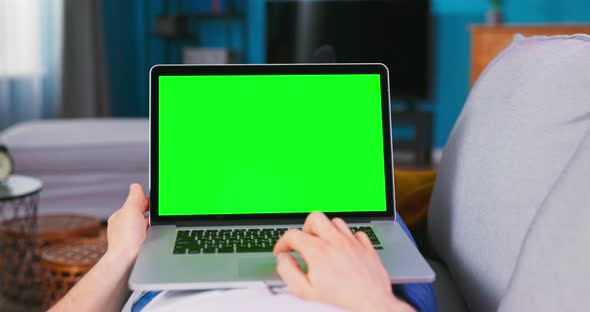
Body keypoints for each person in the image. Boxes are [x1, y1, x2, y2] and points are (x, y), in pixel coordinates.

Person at [50, 184, 435, 312]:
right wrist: (377, 302)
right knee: (368, 207)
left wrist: (119, 256)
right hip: (357, 288)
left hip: (175, 292)